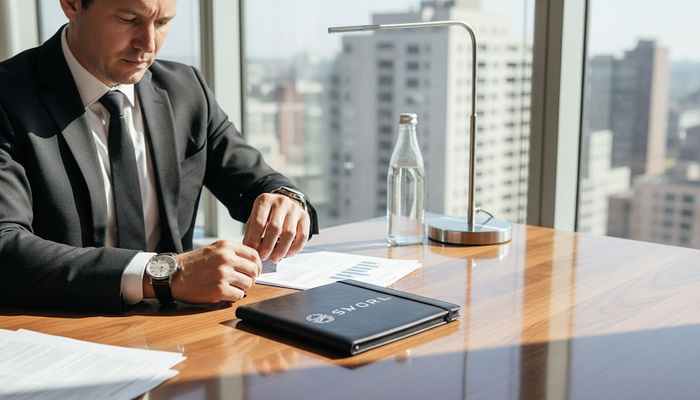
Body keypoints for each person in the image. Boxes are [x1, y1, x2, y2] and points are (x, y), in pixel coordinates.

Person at [0, 0, 319, 313]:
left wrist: (286, 201)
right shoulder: (8, 98)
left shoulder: (186, 89)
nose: (148, 44)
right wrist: (165, 274)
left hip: (175, 327)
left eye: (163, 23)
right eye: (128, 19)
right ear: (71, 4)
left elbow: (257, 181)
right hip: (59, 328)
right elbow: (5, 248)